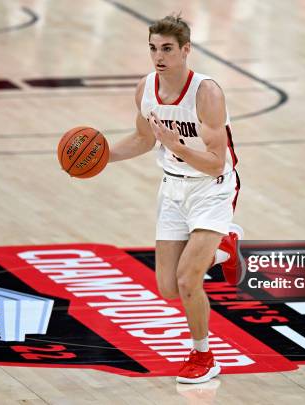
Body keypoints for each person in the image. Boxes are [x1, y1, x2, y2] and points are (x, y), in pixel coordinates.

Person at [109, 14, 243, 384]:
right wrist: (103, 156)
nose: (158, 56)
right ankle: (225, 248)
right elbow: (141, 139)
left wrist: (175, 145)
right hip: (172, 188)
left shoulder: (207, 93)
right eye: (153, 48)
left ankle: (204, 356)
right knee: (167, 287)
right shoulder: (145, 89)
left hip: (211, 187)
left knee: (188, 281)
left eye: (167, 48)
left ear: (186, 50)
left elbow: (216, 161)